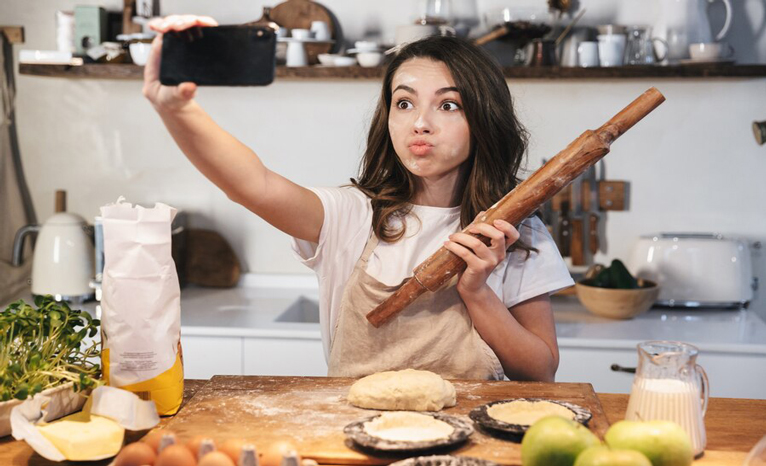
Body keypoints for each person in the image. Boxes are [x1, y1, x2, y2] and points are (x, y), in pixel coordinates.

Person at [144, 15, 574, 382]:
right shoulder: (350, 216)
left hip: (471, 446)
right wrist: (176, 110)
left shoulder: (514, 233)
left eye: (448, 106)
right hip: (354, 441)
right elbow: (251, 184)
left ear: (483, 117)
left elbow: (540, 372)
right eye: (403, 103)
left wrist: (478, 292)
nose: (420, 123)